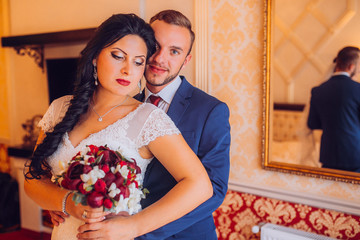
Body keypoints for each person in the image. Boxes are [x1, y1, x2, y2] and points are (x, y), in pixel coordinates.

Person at [24, 13, 213, 240]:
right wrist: (64, 202)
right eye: (117, 56)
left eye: (138, 62)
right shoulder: (59, 108)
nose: (127, 70)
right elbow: (33, 179)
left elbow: (200, 186)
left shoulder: (148, 119)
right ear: (95, 56)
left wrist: (134, 226)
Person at [135, 10, 231, 239]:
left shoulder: (211, 110)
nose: (159, 58)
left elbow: (214, 190)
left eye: (174, 51)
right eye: (154, 46)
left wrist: (142, 230)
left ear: (186, 60)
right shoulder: (126, 105)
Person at [307, 46, 360, 172]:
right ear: (351, 67)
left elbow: (312, 123)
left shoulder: (318, 90)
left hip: (328, 156)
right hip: (355, 156)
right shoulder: (358, 89)